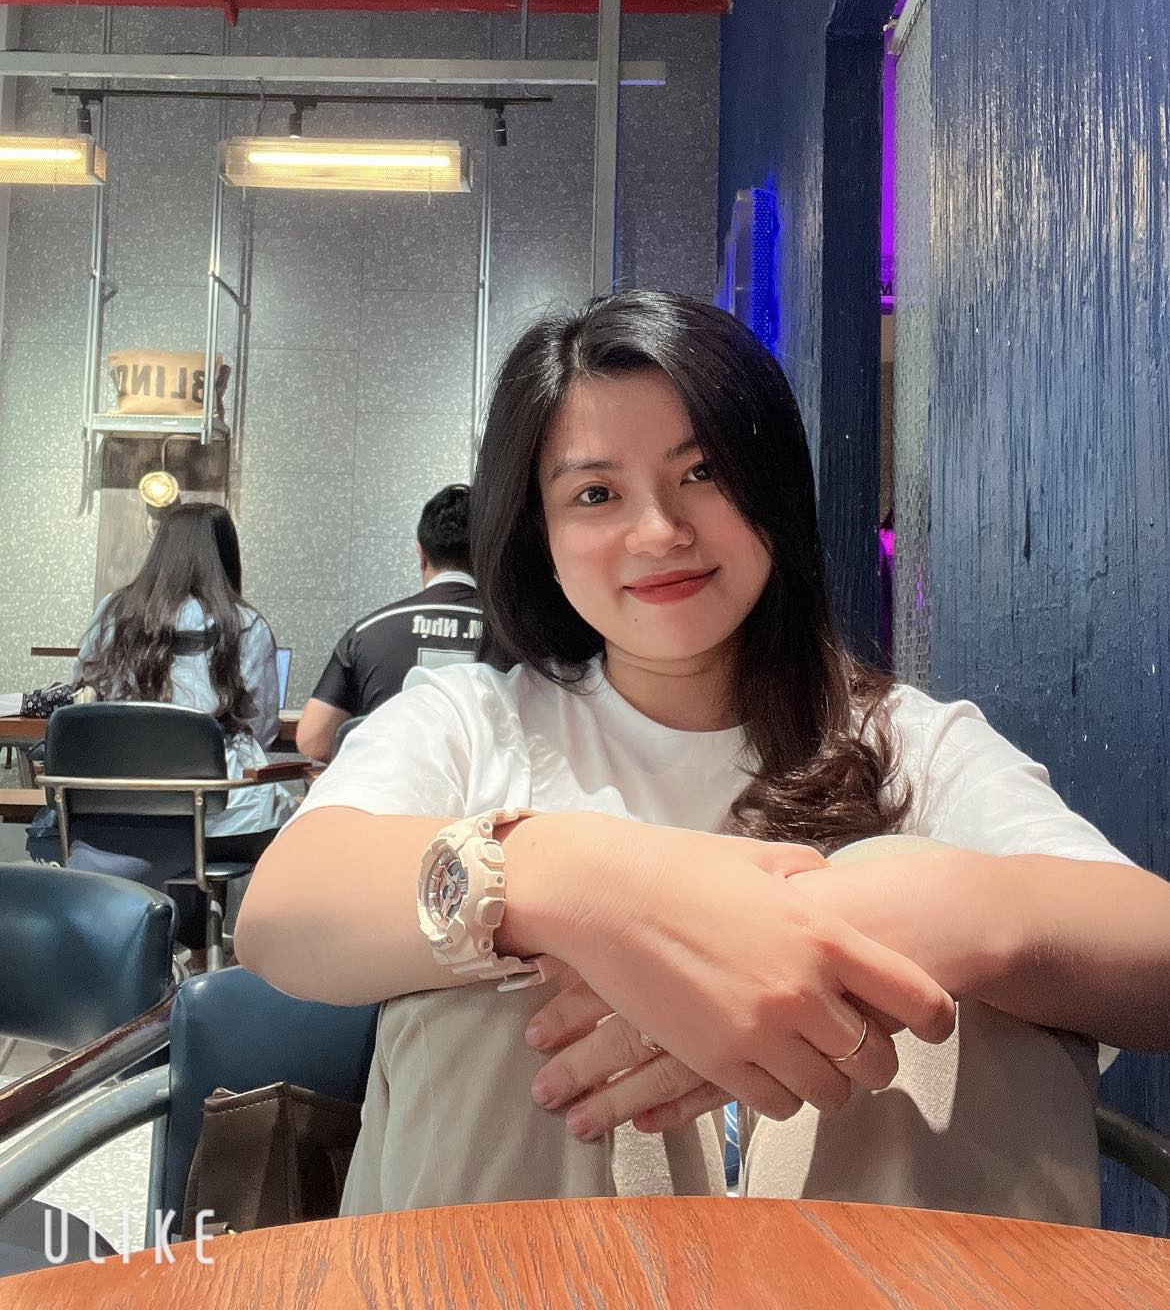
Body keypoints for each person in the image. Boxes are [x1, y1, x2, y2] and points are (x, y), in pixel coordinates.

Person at [236, 291, 1170, 1224]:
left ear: (771, 488)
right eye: (596, 494)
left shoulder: (903, 741)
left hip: (863, 1272)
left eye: (704, 472)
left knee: (941, 1000)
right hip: (538, 1268)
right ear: (540, 535)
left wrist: (908, 919)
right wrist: (568, 882)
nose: (660, 531)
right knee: (511, 983)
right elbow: (279, 915)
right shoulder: (470, 723)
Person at [28, 502, 295, 946]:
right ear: (227, 556)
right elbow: (262, 728)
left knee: (158, 831)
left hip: (111, 815)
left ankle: (145, 949)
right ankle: (203, 951)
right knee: (275, 814)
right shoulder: (245, 625)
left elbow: (85, 699)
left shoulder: (113, 612)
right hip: (218, 825)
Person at [296, 484, 481, 762]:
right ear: (487, 555)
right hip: (485, 790)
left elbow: (312, 740)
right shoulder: (518, 639)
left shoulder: (367, 633)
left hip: (389, 786)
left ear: (421, 556)